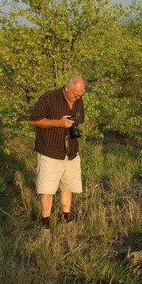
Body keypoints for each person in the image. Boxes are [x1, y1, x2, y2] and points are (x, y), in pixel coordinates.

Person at [28, 75, 85, 230]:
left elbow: (81, 119)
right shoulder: (48, 98)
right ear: (67, 88)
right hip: (50, 150)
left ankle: (66, 219)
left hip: (71, 151)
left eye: (80, 95)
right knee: (47, 189)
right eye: (75, 94)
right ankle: (45, 223)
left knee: (68, 186)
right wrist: (58, 123)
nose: (77, 98)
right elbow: (34, 120)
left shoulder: (78, 99)